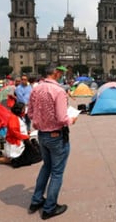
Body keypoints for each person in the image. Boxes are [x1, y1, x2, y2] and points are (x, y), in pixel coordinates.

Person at [27, 64, 76, 220]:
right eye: (61, 72)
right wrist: (72, 119)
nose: (62, 75)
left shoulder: (36, 88)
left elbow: (30, 113)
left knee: (46, 167)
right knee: (57, 173)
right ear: (55, 73)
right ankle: (49, 208)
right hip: (56, 136)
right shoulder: (59, 91)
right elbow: (62, 118)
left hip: (42, 135)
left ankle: (36, 200)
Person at [0, 102, 41, 168]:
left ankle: (1, 157)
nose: (25, 110)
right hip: (15, 143)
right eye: (24, 109)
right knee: (18, 160)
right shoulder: (13, 118)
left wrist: (27, 133)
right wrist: (25, 136)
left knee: (31, 157)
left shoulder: (19, 117)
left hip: (21, 141)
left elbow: (20, 129)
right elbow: (14, 132)